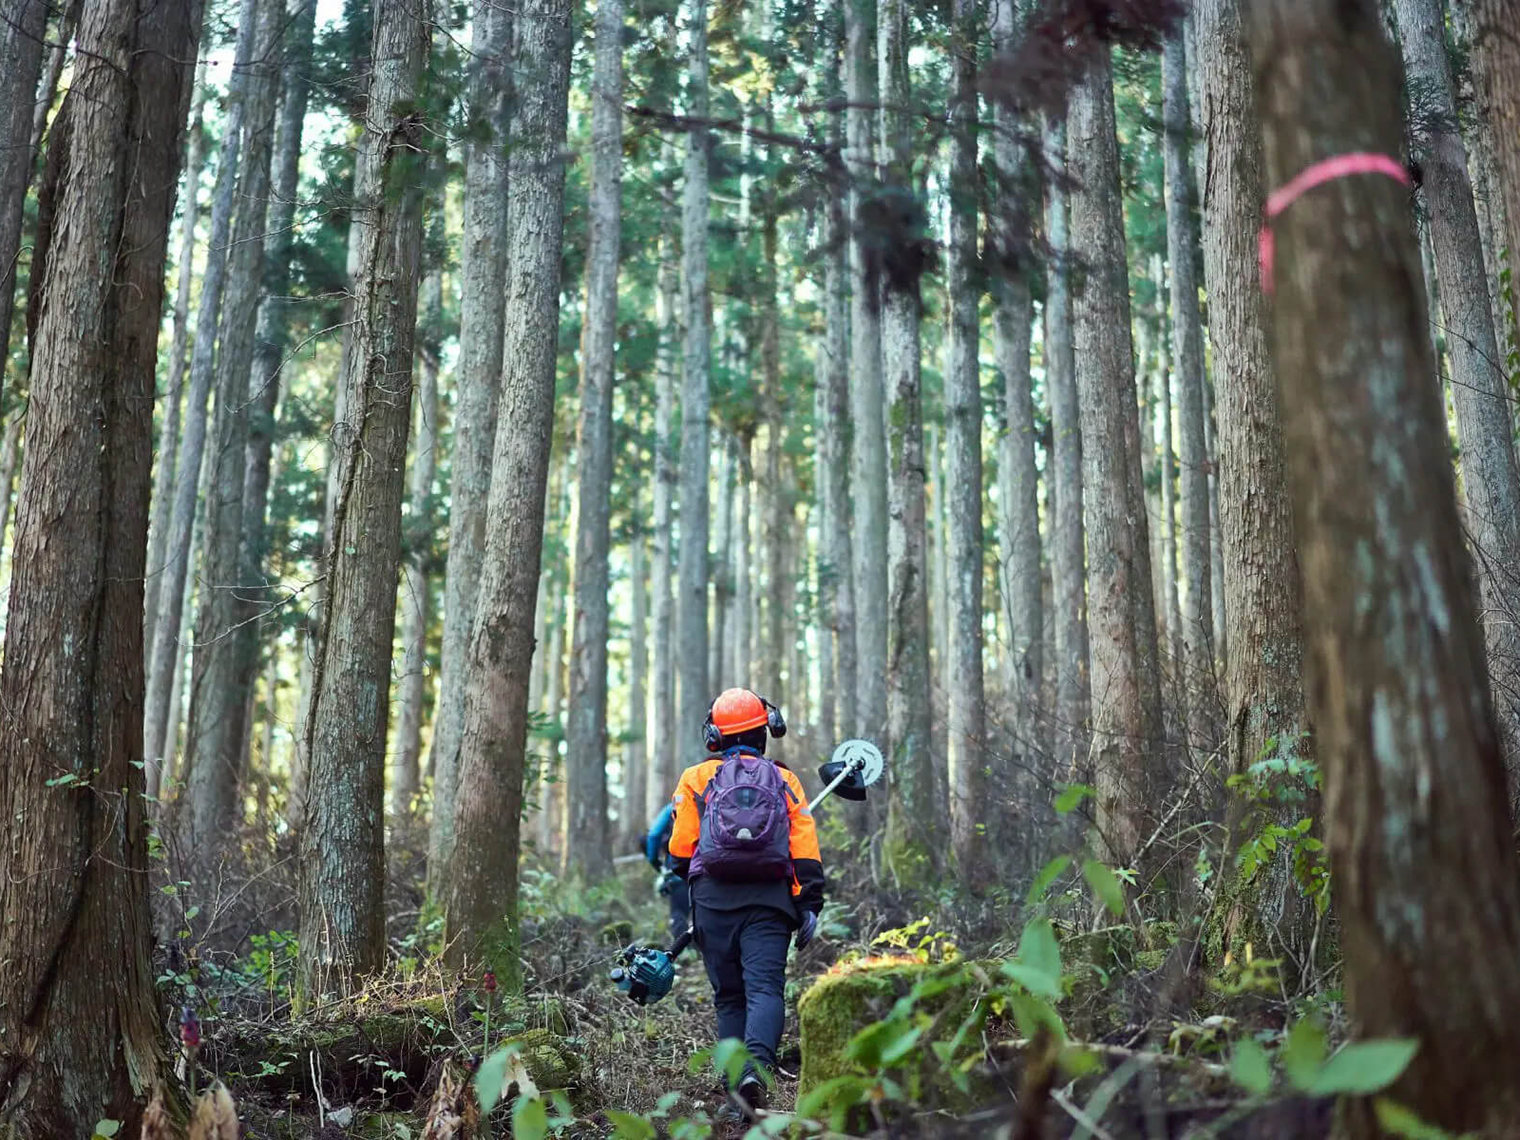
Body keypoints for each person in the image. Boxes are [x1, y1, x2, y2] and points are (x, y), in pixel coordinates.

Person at [666, 687, 825, 1122]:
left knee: (729, 997)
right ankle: (756, 1070)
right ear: (765, 731)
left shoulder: (695, 778)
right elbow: (804, 847)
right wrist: (809, 902)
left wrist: (701, 877)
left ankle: (735, 1084)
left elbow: (680, 851)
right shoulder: (785, 779)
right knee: (765, 988)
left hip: (713, 901)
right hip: (771, 902)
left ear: (714, 736)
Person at [644, 801, 691, 940]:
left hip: (678, 869)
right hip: (707, 869)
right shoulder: (713, 801)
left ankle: (683, 949)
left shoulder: (673, 807)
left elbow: (654, 835)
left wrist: (654, 860)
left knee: (678, 913)